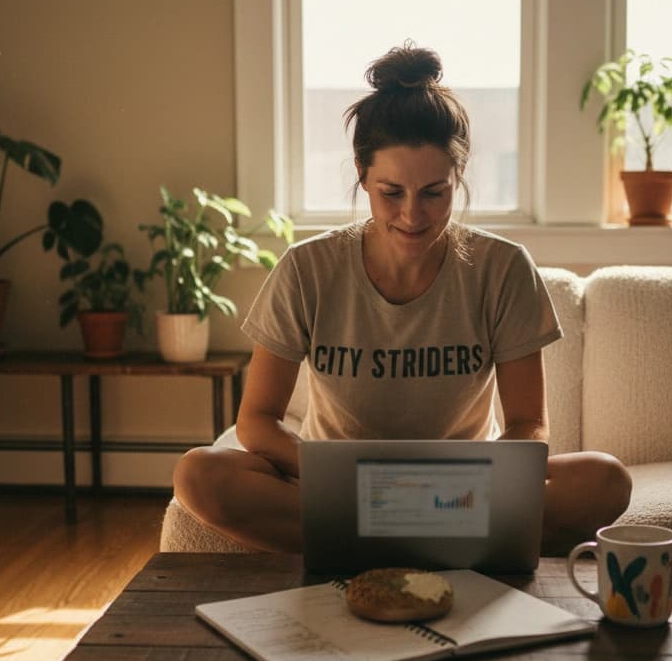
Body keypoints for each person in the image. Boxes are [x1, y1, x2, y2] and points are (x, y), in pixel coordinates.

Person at [174, 44, 631, 555]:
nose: (412, 215)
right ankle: (435, 546)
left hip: (460, 492)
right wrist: (336, 474)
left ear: (457, 177)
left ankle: (366, 541)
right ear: (362, 174)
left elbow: (529, 423)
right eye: (391, 192)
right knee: (198, 474)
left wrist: (460, 487)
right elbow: (256, 420)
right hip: (340, 488)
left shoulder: (503, 268)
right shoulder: (307, 269)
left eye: (434, 192)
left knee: (604, 480)